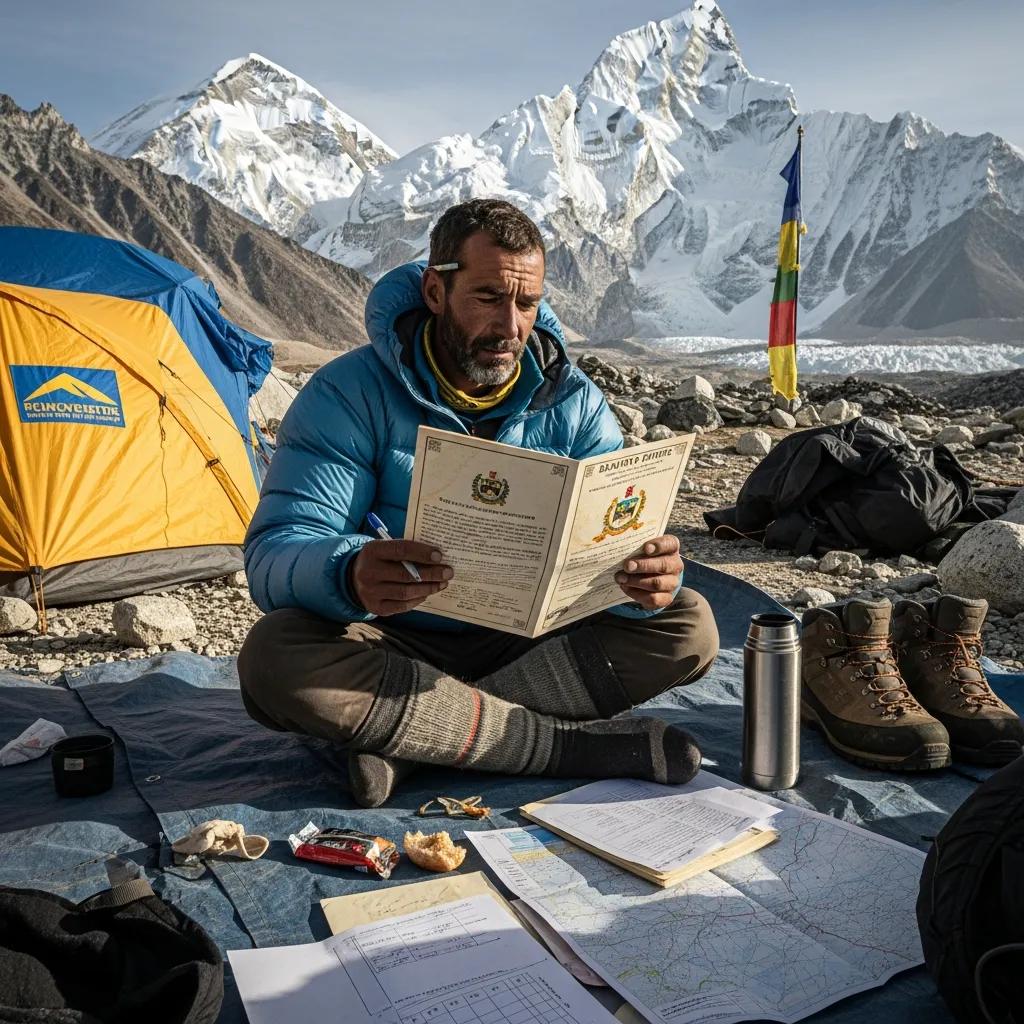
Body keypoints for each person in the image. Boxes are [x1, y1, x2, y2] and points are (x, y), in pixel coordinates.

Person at [238, 198, 719, 807]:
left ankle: (417, 742)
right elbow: (276, 552)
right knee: (274, 657)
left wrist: (642, 587)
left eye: (528, 303)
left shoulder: (575, 404)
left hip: (532, 640)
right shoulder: (348, 393)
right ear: (436, 291)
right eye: (490, 298)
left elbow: (616, 546)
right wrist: (349, 571)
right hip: (393, 641)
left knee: (689, 626)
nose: (512, 326)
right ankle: (569, 748)